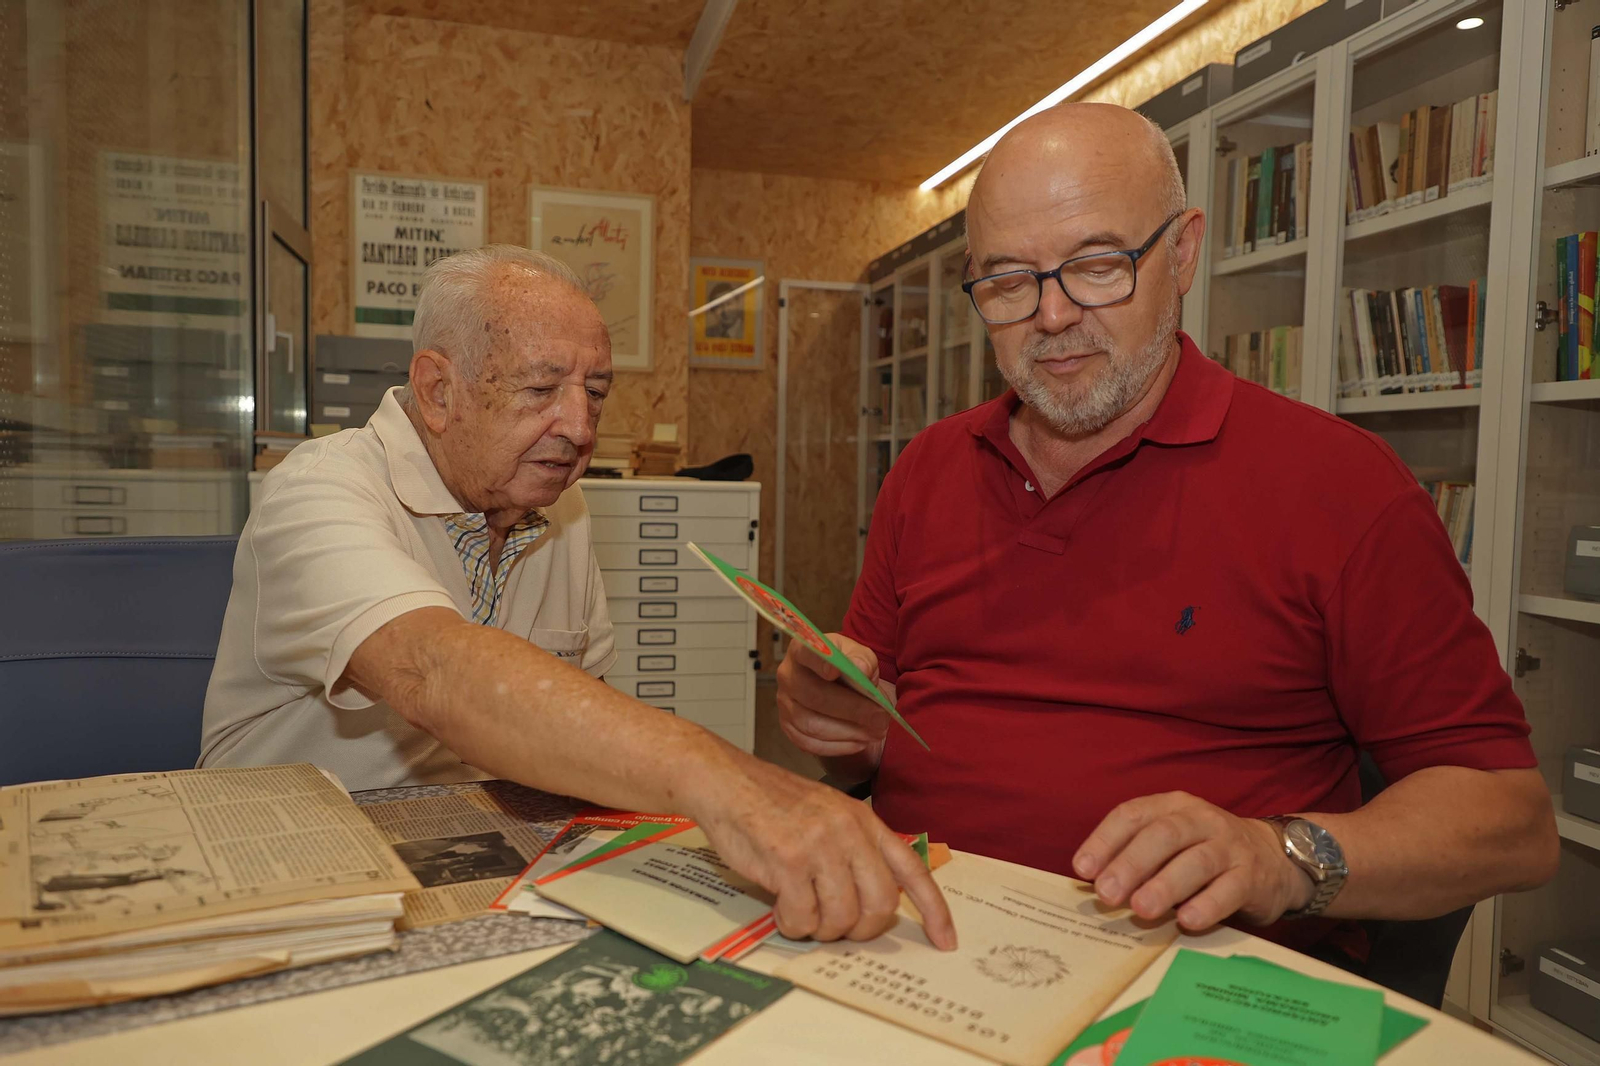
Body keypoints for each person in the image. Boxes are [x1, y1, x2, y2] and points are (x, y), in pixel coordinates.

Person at [776, 104, 1557, 954]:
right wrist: (840, 733)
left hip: (1189, 979)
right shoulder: (927, 470)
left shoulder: (1341, 488)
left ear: (1182, 253)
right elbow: (872, 753)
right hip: (918, 941)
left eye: (1097, 265)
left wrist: (1277, 854)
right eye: (1008, 280)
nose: (1051, 315)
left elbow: (1510, 820)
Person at [201, 245, 953, 950]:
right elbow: (433, 672)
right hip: (285, 887)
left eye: (595, 392)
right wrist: (729, 780)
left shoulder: (563, 507)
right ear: (437, 391)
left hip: (479, 863)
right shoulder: (318, 489)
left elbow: (575, 720)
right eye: (540, 389)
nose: (580, 427)